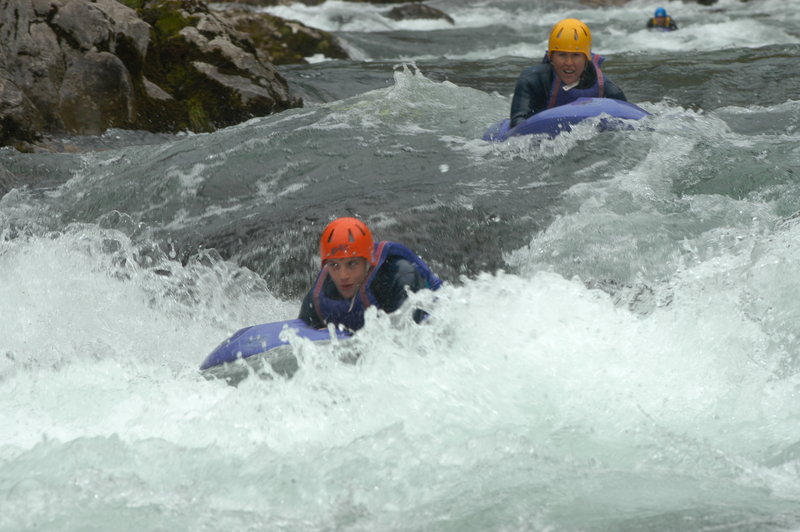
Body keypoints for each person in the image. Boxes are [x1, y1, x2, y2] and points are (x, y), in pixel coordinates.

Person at [298, 216, 442, 331]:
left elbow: (408, 343)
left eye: (352, 264)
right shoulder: (319, 296)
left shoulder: (400, 278)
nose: (343, 275)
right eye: (334, 265)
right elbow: (298, 334)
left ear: (368, 262)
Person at [509, 18, 627, 129]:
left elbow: (632, 123)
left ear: (586, 58)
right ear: (551, 57)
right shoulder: (533, 80)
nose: (569, 63)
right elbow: (517, 125)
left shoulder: (607, 88)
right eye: (561, 55)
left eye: (576, 55)